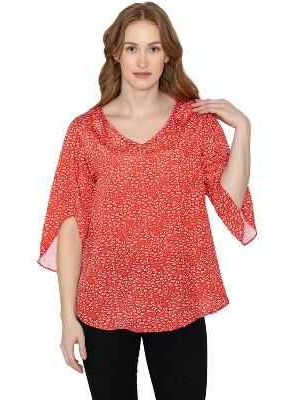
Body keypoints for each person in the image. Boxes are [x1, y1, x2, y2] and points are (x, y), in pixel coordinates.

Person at [37, 2, 257, 399]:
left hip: (180, 299)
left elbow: (230, 199)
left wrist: (243, 128)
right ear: (115, 54)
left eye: (153, 48)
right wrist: (68, 318)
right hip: (103, 301)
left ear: (168, 54)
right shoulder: (85, 131)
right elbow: (69, 228)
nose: (142, 60)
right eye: (132, 48)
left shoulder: (196, 124)